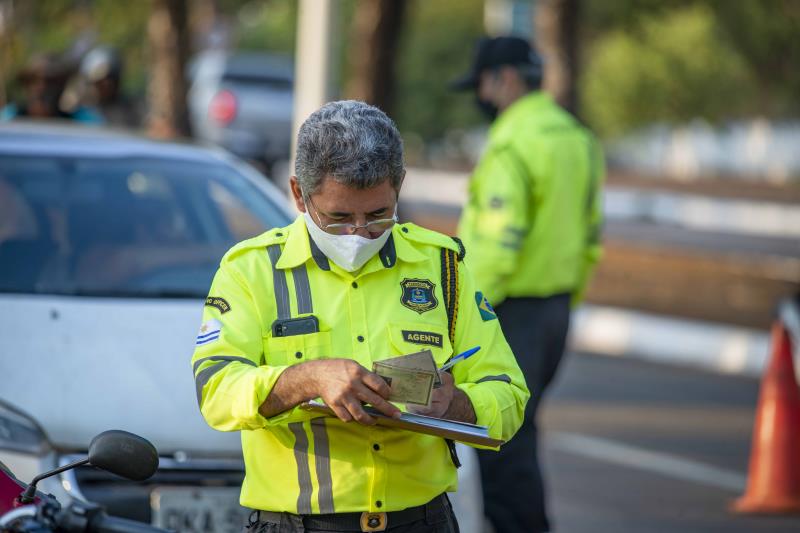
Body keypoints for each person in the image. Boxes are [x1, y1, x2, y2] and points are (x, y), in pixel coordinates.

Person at [191, 100, 529, 533]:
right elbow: (215, 391)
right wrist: (308, 379)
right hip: (298, 525)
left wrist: (456, 405)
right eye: (337, 218)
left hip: (422, 521)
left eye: (377, 216)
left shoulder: (442, 267)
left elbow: (509, 393)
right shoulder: (250, 270)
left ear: (399, 187)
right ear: (298, 193)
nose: (358, 234)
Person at [451, 36, 605, 532]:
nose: (481, 97)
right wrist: (565, 298)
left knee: (499, 443)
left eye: (481, 85)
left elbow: (499, 244)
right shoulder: (577, 139)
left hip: (507, 311)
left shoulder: (512, 144)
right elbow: (590, 235)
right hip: (554, 311)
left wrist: (460, 314)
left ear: (506, 80)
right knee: (520, 433)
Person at [1, 53, 101, 123]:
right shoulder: (10, 118)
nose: (43, 88)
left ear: (63, 85)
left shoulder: (80, 121)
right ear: (27, 85)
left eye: (52, 82)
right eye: (35, 80)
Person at [79, 46, 140, 128]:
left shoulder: (132, 112)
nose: (106, 85)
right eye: (99, 83)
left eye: (110, 80)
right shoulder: (79, 113)